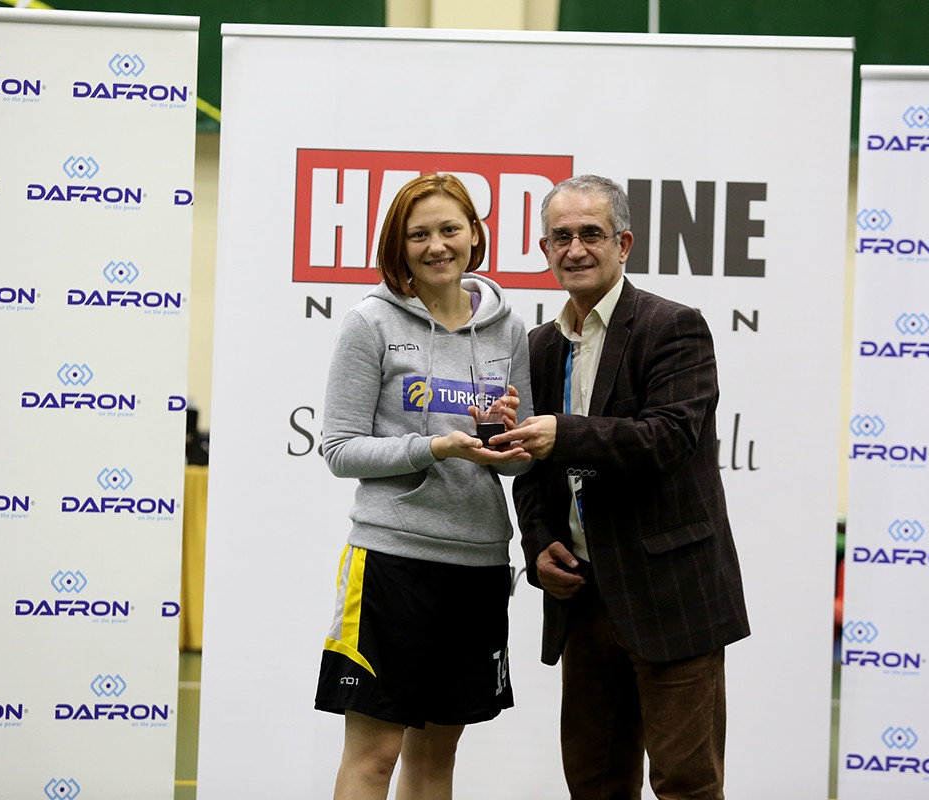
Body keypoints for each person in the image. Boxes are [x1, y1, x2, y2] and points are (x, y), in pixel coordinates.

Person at [490, 175, 750, 799]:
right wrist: (539, 543)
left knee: (687, 784)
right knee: (594, 785)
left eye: (592, 233)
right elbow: (530, 466)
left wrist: (564, 434)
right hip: (582, 596)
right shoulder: (538, 347)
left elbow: (668, 438)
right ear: (545, 249)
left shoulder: (674, 327)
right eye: (561, 237)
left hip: (671, 595)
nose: (575, 249)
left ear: (623, 243)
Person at [315, 173, 534, 800]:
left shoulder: (508, 329)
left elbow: (517, 464)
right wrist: (434, 446)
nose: (437, 245)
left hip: (479, 564)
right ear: (399, 245)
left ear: (474, 235)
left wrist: (507, 439)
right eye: (419, 235)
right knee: (374, 756)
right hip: (393, 562)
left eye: (449, 229)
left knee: (437, 759)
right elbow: (339, 450)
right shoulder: (371, 322)